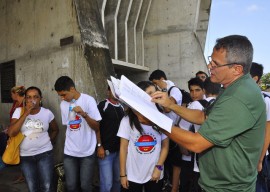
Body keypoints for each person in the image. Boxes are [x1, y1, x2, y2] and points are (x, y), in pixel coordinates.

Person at [152, 35, 266, 191]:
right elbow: (203, 117)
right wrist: (170, 105)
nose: (209, 65)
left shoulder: (239, 97)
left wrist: (157, 122)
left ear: (236, 69)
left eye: (215, 63)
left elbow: (196, 143)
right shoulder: (232, 87)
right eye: (210, 60)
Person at [118, 81, 169, 192]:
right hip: (132, 175)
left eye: (155, 92)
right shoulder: (127, 120)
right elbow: (123, 148)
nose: (154, 96)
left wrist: (159, 168)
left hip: (155, 174)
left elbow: (165, 146)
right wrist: (123, 175)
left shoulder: (161, 118)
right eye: (150, 93)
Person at [54, 76, 102, 192]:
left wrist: (84, 114)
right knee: (70, 186)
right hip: (70, 152)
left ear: (72, 89)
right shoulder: (63, 104)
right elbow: (69, 126)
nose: (62, 98)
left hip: (87, 152)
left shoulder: (88, 100)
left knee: (85, 186)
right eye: (60, 95)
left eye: (63, 95)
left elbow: (97, 126)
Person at [8, 86, 59, 192]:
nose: (32, 100)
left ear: (40, 99)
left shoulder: (47, 113)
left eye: (35, 97)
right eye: (29, 97)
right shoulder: (18, 111)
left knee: (47, 186)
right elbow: (11, 132)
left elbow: (55, 130)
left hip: (45, 154)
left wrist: (50, 141)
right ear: (25, 99)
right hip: (26, 157)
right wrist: (26, 113)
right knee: (32, 187)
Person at [149, 70, 182, 192]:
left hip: (172, 132)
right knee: (165, 162)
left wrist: (163, 90)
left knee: (172, 163)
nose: (155, 86)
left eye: (156, 83)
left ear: (162, 80)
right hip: (163, 131)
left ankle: (173, 187)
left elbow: (167, 109)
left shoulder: (174, 90)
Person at [179, 77, 205, 192]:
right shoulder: (213, 104)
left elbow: (181, 127)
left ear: (204, 90)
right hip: (192, 155)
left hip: (195, 155)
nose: (194, 94)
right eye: (192, 90)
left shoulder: (194, 105)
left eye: (197, 90)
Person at [97, 86, 125, 192]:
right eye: (112, 90)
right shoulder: (102, 105)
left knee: (117, 180)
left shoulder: (121, 107)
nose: (115, 92)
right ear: (108, 91)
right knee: (106, 183)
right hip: (106, 152)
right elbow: (96, 127)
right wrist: (99, 146)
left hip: (119, 151)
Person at [250, 62, 270, 192]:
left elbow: (267, 132)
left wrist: (260, 160)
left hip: (258, 157)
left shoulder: (265, 100)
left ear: (255, 78)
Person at [9, 86, 26, 183]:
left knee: (22, 153)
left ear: (16, 94)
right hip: (14, 129)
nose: (11, 96)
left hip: (22, 131)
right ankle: (22, 174)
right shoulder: (16, 104)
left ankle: (23, 175)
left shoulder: (23, 105)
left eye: (12, 94)